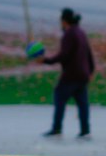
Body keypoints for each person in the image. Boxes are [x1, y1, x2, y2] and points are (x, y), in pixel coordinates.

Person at [41, 8, 95, 138]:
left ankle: (57, 128)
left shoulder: (69, 34)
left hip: (71, 74)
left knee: (59, 97)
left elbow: (64, 55)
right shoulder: (81, 32)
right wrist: (91, 70)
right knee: (82, 103)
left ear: (64, 21)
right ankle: (85, 129)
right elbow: (89, 53)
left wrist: (46, 60)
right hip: (83, 74)